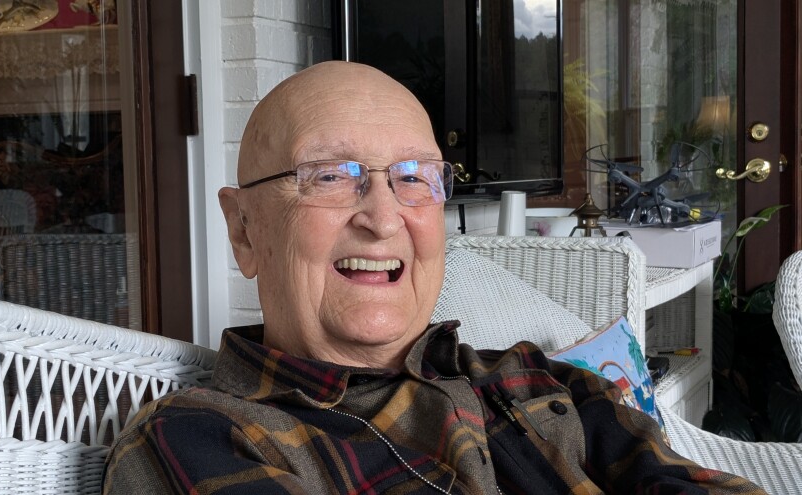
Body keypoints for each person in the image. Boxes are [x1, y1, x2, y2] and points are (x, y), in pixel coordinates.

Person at [103, 61, 765, 494]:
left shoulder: (540, 382)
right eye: (331, 175)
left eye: (414, 178)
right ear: (244, 226)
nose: (383, 217)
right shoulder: (198, 438)